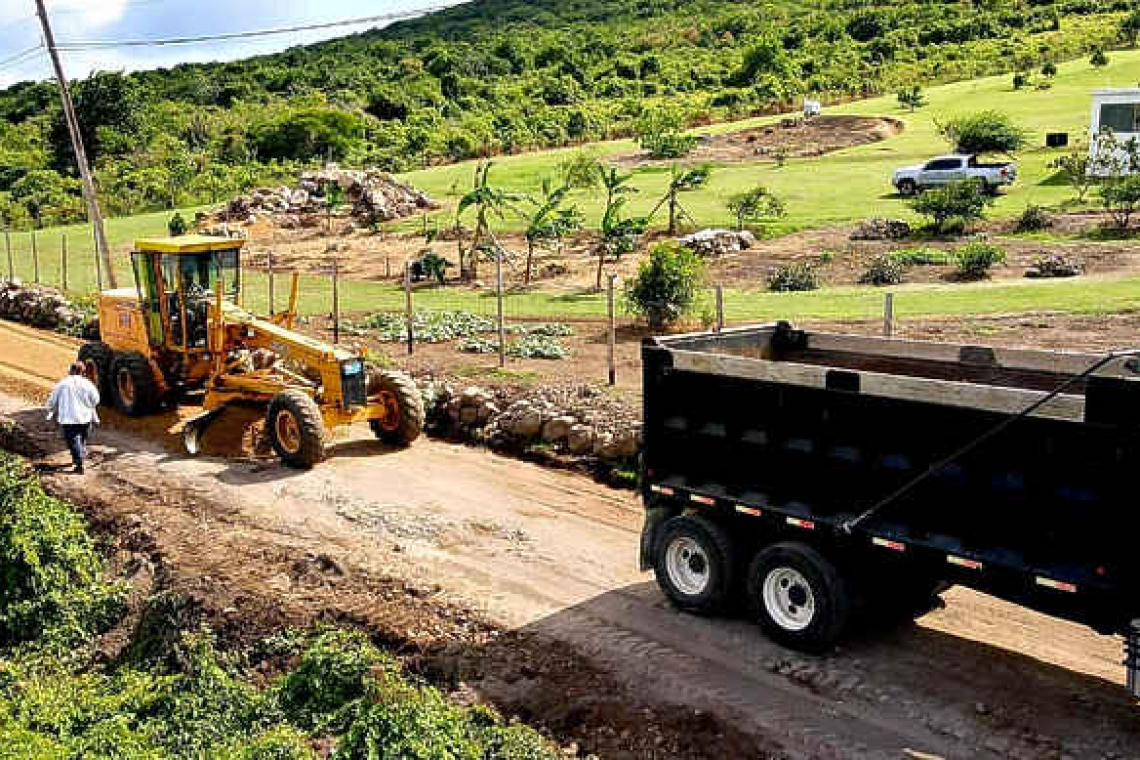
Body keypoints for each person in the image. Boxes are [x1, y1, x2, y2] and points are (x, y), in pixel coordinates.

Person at [46, 362, 100, 474]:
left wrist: (51, 410)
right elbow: (96, 399)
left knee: (73, 441)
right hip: (85, 418)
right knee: (82, 440)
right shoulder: (88, 384)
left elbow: (52, 401)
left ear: (70, 371)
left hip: (69, 419)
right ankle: (78, 457)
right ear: (82, 372)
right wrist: (88, 406)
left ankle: (79, 464)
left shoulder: (62, 384)